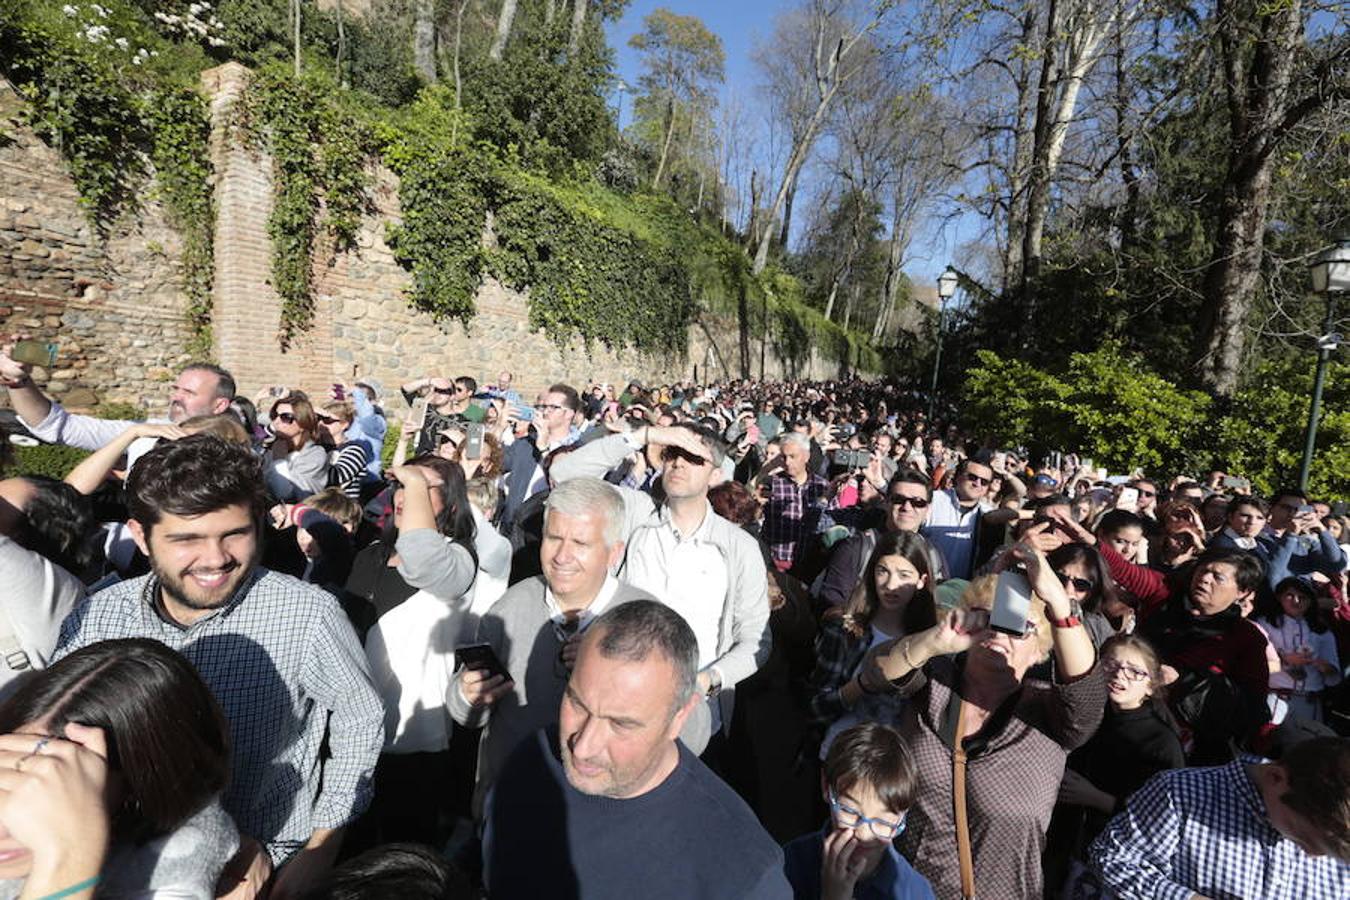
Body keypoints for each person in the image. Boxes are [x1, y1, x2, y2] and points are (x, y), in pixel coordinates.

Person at [52, 434, 384, 894]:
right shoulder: (97, 616)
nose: (215, 559)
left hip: (265, 871)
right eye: (186, 539)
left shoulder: (309, 614)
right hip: (126, 868)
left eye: (234, 534)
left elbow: (360, 719)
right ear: (139, 536)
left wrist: (321, 848)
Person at [482, 600, 791, 899]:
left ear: (679, 717)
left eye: (621, 724)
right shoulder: (532, 761)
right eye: (577, 703)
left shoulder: (743, 874)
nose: (583, 747)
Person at [864, 545, 1104, 899]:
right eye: (986, 617)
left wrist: (1058, 604)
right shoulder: (935, 683)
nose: (1000, 631)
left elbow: (1087, 696)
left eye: (1018, 625)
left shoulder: (1049, 714)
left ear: (1040, 648)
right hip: (907, 890)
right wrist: (934, 642)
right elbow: (875, 672)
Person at [549, 422, 772, 752]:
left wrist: (706, 681)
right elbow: (564, 475)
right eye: (672, 453)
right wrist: (644, 436)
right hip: (613, 700)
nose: (678, 463)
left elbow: (756, 639)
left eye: (693, 457)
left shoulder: (738, 547)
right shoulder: (636, 514)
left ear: (716, 475)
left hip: (691, 713)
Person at [448, 478, 656, 817]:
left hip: (601, 821)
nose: (562, 556)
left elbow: (692, 730)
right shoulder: (512, 605)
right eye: (554, 538)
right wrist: (466, 696)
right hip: (508, 810)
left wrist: (618, 672)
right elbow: (466, 711)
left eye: (580, 542)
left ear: (614, 552)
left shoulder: (648, 621)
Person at [0, 638, 241, 900]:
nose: (4, 823)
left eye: (52, 794)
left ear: (134, 797)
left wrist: (70, 856)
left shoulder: (170, 881)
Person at [343, 456, 479, 846]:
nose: (405, 495)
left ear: (451, 505)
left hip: (414, 739)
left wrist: (413, 481)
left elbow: (422, 560)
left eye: (422, 486)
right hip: (355, 733)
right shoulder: (370, 555)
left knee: (403, 856)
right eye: (402, 485)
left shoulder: (458, 559)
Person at [1089, 736, 1350, 897]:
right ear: (1275, 778)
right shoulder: (1180, 793)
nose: (1314, 856)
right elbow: (1110, 857)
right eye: (1302, 837)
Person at [1047, 634, 1184, 893]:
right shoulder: (1087, 716)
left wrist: (1098, 798)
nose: (1120, 675)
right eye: (1111, 665)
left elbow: (1163, 820)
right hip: (1061, 844)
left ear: (1151, 686)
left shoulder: (1161, 742)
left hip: (1114, 864)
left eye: (1134, 671)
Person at [0, 347, 236, 470]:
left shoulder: (243, 449)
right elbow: (57, 427)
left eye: (189, 393)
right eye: (176, 388)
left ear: (219, 405)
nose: (176, 397)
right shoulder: (145, 432)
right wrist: (17, 381)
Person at [809, 532, 939, 755]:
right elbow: (815, 708)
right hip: (839, 759)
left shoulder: (929, 642)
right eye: (883, 571)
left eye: (904, 575)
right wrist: (861, 685)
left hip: (895, 772)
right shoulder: (844, 631)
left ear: (922, 581)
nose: (891, 585)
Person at [782, 722, 936, 900]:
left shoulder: (914, 892)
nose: (863, 833)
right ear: (826, 786)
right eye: (850, 811)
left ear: (902, 816)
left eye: (882, 821)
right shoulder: (790, 863)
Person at [817, 469, 946, 608]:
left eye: (918, 502)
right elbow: (831, 607)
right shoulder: (856, 548)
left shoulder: (933, 554)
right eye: (898, 500)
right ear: (886, 503)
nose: (907, 507)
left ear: (928, 509)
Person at [1255, 577, 1342, 724]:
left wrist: (1323, 666)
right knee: (1270, 741)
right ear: (1279, 597)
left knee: (1306, 744)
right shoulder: (1265, 624)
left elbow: (1333, 675)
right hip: (1276, 697)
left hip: (1310, 701)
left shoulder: (1321, 630)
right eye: (1290, 595)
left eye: (1302, 597)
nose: (1296, 601)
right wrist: (1285, 661)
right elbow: (1255, 665)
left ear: (1310, 601)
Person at [920, 457, 1017, 580]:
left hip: (961, 591)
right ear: (959, 476)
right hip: (924, 583)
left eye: (984, 482)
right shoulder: (932, 500)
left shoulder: (989, 516)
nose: (978, 484)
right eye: (972, 477)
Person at [761, 432, 831, 574]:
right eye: (784, 457)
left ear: (806, 456)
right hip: (774, 563)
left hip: (808, 565)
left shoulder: (823, 487)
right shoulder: (772, 483)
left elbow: (830, 522)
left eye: (793, 457)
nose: (787, 462)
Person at [263, 394, 330, 502]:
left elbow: (284, 493)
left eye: (286, 417)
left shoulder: (315, 455)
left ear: (303, 422)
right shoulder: (270, 448)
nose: (276, 422)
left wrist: (279, 459)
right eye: (275, 415)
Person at [317, 400, 370, 501]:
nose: (321, 424)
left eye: (327, 420)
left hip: (341, 508)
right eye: (318, 419)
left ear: (344, 424)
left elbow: (336, 477)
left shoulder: (354, 450)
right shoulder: (316, 446)